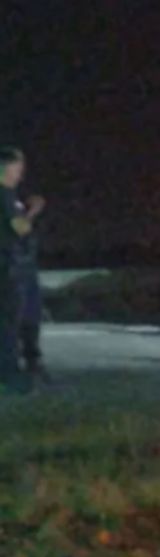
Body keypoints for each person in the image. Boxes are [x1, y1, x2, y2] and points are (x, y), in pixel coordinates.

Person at [0, 147, 33, 394]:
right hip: (6, 269)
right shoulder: (5, 195)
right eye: (17, 169)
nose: (20, 175)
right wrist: (33, 211)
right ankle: (9, 375)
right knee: (10, 323)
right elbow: (20, 228)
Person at [12, 187, 48, 383]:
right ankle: (20, 365)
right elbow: (18, 229)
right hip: (14, 268)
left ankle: (32, 360)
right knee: (19, 315)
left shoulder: (12, 199)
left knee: (31, 314)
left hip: (25, 266)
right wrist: (32, 211)